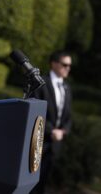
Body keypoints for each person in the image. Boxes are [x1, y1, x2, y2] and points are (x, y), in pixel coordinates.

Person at [31, 51, 73, 194]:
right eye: (65, 64)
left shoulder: (67, 88)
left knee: (44, 181)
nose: (68, 68)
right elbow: (35, 111)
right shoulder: (41, 83)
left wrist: (63, 131)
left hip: (55, 145)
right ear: (54, 64)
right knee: (31, 179)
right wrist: (51, 130)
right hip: (38, 141)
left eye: (69, 65)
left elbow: (68, 117)